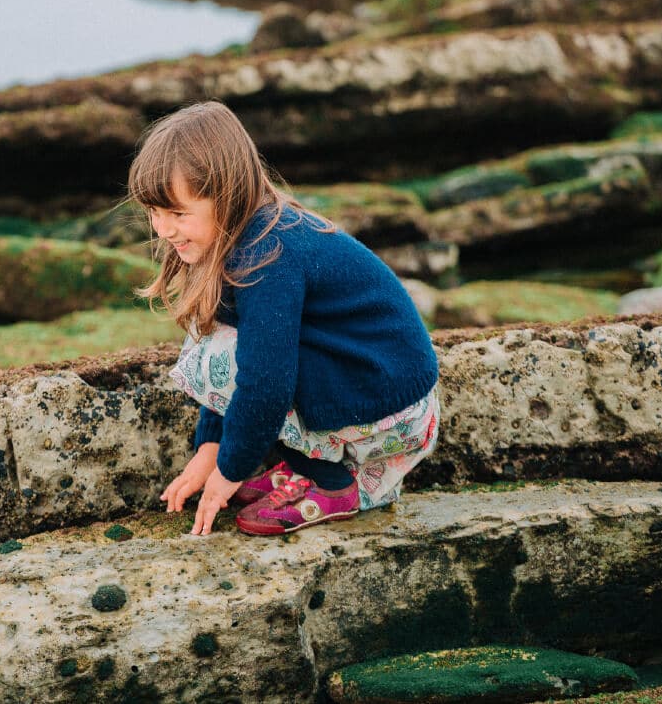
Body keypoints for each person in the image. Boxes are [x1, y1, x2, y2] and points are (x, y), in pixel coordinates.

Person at [127, 100, 441, 537]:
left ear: (228, 194)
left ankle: (333, 484)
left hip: (392, 407)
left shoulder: (267, 255)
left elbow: (265, 383)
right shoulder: (248, 234)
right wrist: (211, 448)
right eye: (154, 212)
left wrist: (229, 472)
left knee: (240, 361)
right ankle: (310, 469)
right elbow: (227, 345)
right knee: (211, 342)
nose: (163, 230)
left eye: (178, 213)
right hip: (369, 388)